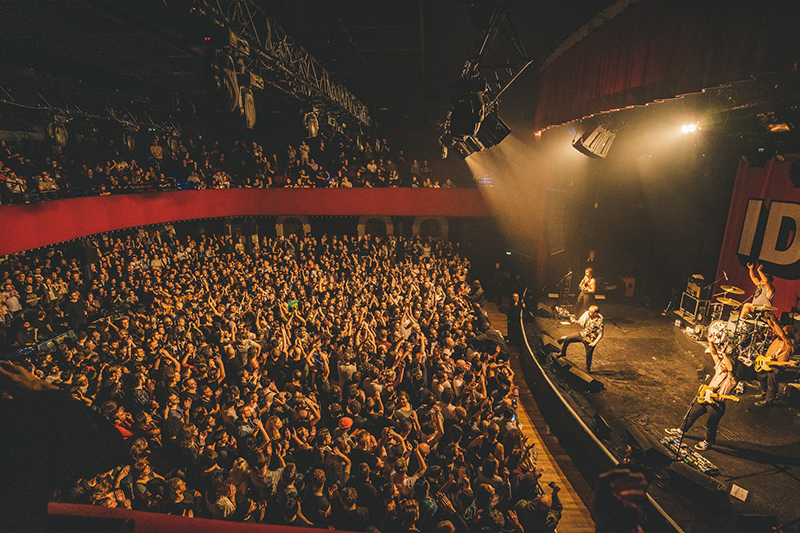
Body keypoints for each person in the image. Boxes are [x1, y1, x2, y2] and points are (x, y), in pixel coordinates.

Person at [665, 341, 736, 450]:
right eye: (721, 363)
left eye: (723, 364)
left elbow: (730, 369)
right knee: (691, 413)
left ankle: (708, 442)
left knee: (711, 425)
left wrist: (724, 354)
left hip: (717, 404)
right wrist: (710, 342)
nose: (721, 365)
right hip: (705, 397)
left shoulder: (731, 379)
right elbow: (714, 353)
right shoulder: (719, 370)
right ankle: (680, 431)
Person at [755, 313, 794, 407]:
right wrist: (768, 319)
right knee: (761, 376)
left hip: (777, 366)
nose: (781, 331)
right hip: (767, 363)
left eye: (784, 330)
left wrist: (774, 321)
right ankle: (764, 394)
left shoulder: (790, 342)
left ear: (789, 333)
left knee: (771, 382)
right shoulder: (779, 338)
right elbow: (775, 329)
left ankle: (769, 400)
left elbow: (782, 334)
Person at [558, 305, 603, 373]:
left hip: (590, 340)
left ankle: (588, 369)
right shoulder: (588, 317)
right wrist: (574, 321)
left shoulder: (599, 321)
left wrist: (594, 343)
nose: (588, 313)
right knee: (568, 339)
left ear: (595, 314)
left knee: (589, 355)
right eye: (589, 311)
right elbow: (581, 323)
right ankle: (563, 353)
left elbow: (600, 334)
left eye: (591, 312)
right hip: (582, 334)